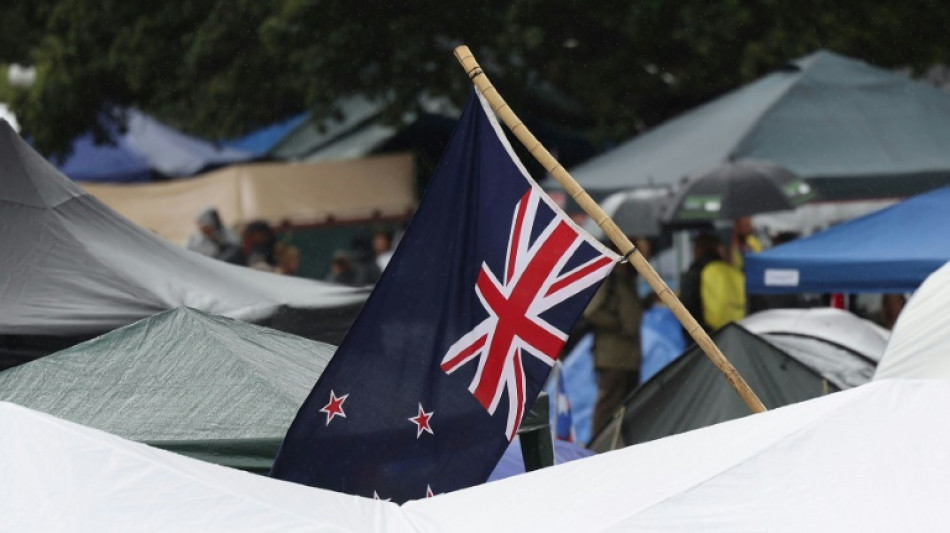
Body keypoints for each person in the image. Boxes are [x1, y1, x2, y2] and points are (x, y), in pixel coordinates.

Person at [584, 240, 644, 434]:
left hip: (630, 357)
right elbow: (592, 311)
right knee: (607, 406)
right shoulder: (609, 278)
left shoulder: (627, 279)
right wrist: (618, 325)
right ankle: (597, 449)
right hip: (613, 357)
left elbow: (630, 312)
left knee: (627, 407)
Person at [680, 232, 746, 333]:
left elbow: (687, 306)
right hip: (735, 330)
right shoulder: (732, 271)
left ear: (697, 249)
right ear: (717, 249)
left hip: (705, 333)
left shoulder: (696, 272)